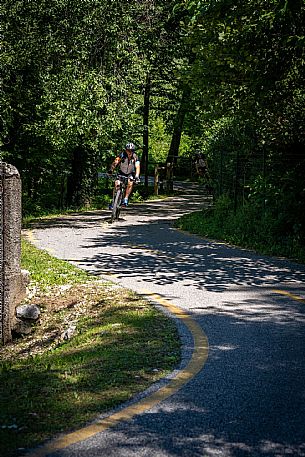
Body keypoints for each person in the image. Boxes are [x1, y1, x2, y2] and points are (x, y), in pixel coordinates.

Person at [108, 142, 141, 208]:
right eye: (128, 150)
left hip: (130, 173)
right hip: (121, 172)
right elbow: (116, 162)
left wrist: (137, 176)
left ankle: (125, 199)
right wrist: (111, 170)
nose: (130, 152)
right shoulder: (122, 155)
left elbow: (137, 166)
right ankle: (114, 201)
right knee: (117, 184)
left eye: (132, 150)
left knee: (130, 183)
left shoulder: (135, 157)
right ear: (126, 150)